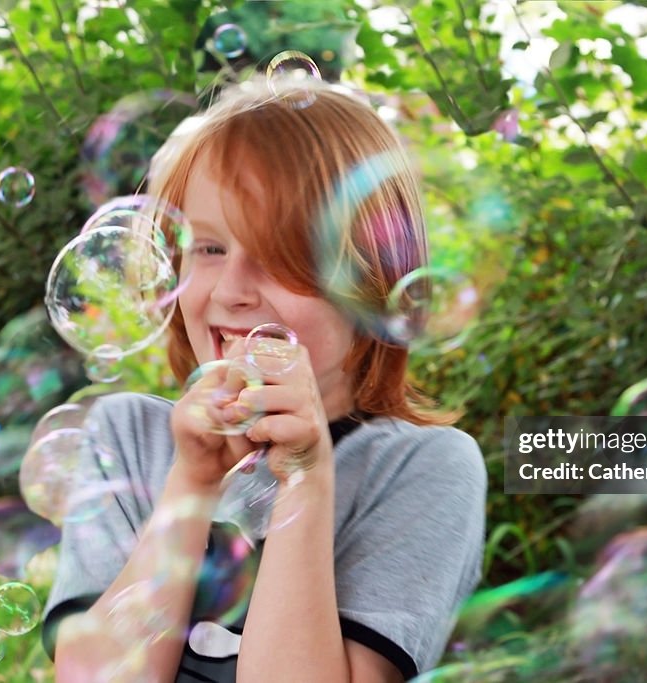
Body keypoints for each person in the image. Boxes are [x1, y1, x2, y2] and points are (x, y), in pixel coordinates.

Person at [42, 76, 488, 683]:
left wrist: (306, 478)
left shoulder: (423, 466)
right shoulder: (127, 437)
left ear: (375, 281)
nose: (231, 292)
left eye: (283, 255)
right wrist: (191, 481)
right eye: (209, 248)